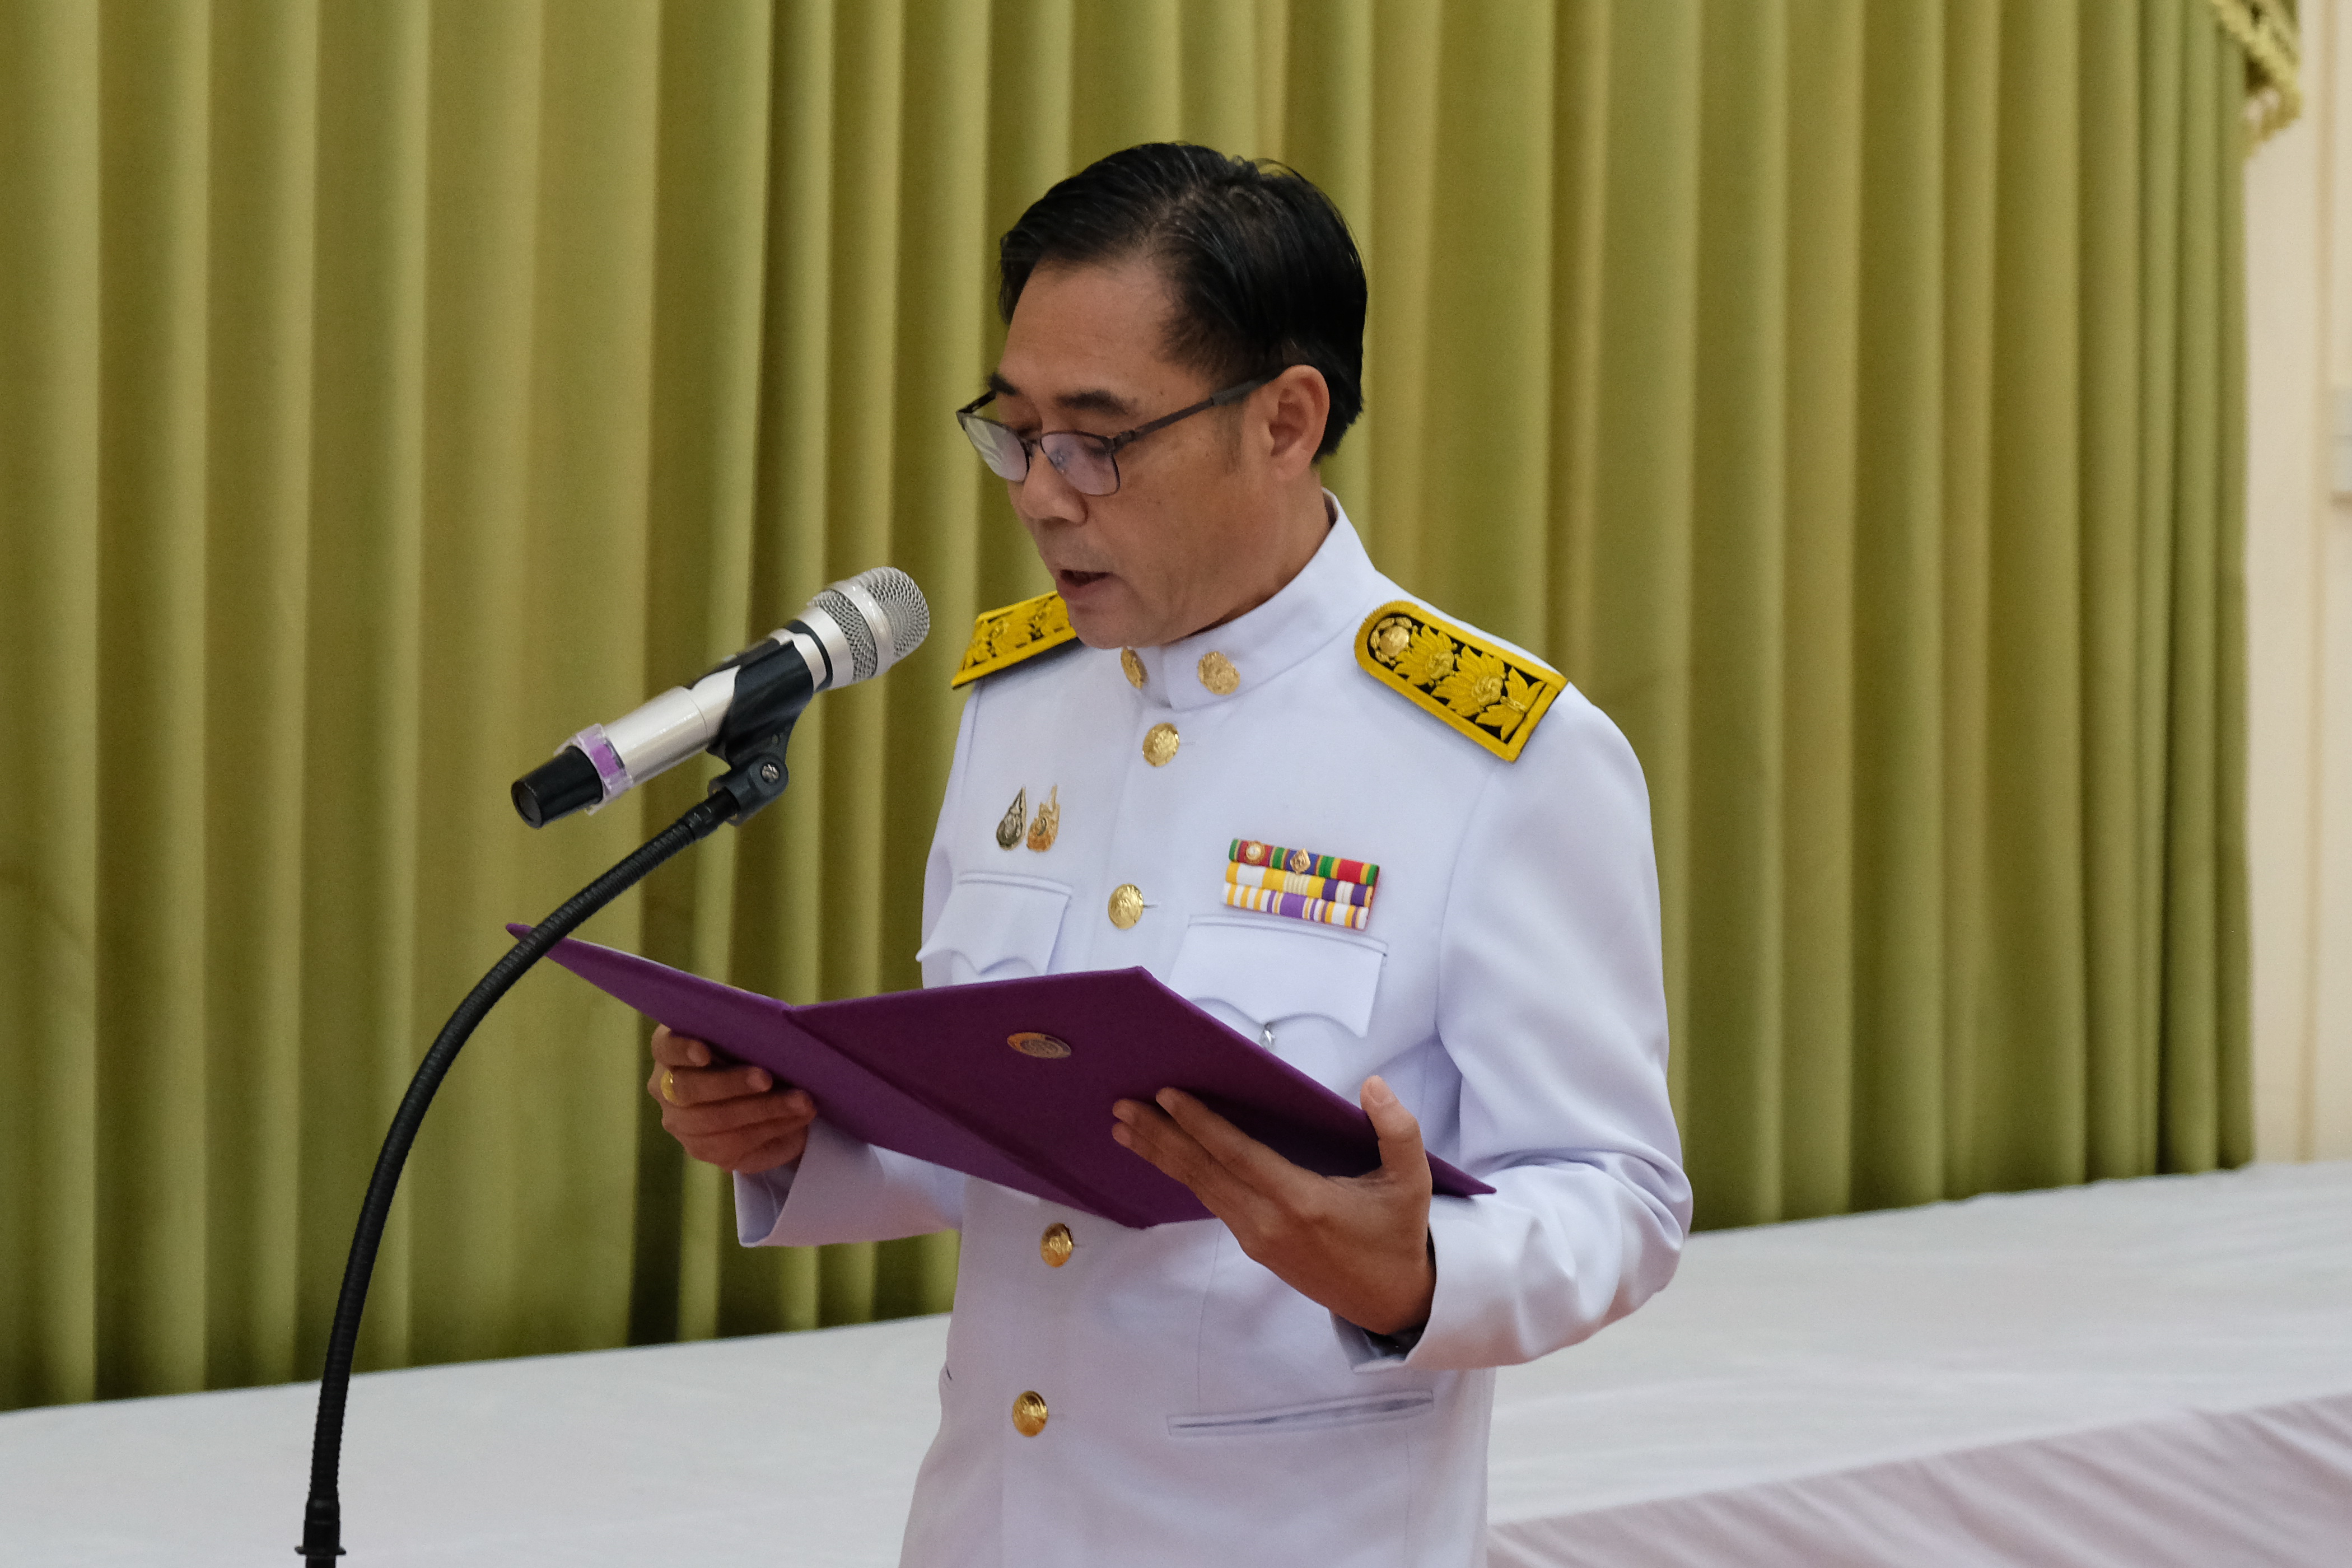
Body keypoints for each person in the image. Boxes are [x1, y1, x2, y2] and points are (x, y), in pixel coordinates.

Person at [646, 143, 1688, 1567]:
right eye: (1010, 430)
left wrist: (1416, 1269)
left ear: (1285, 421)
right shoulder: (1021, 702)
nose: (1040, 493)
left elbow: (1618, 1190)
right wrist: (801, 1138)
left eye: (1098, 437)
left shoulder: (1496, 753)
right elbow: (1017, 1132)